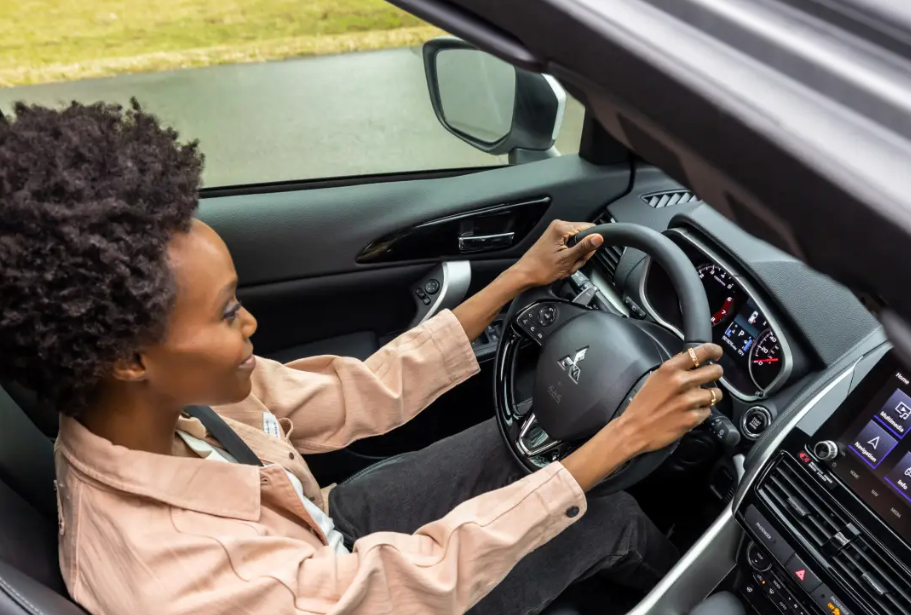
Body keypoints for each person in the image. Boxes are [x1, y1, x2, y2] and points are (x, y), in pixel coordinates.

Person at [0, 101, 724, 615]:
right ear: (130, 356)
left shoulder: (150, 405)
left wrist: (513, 282)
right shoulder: (186, 576)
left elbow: (352, 393)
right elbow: (397, 588)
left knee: (526, 441)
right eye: (226, 313)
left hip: (316, 540)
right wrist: (622, 439)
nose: (250, 320)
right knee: (605, 516)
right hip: (347, 592)